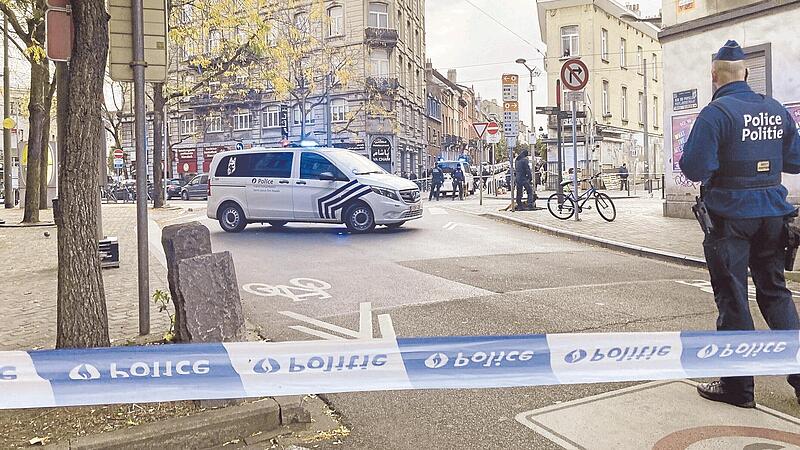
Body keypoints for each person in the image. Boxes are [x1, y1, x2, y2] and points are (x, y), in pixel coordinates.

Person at [680, 40, 800, 409]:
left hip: (730, 220)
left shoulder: (715, 114)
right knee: (776, 294)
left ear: (714, 76)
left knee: (733, 300)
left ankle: (738, 388)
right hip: (773, 218)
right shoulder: (775, 110)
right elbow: (795, 161)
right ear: (746, 73)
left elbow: (694, 168)